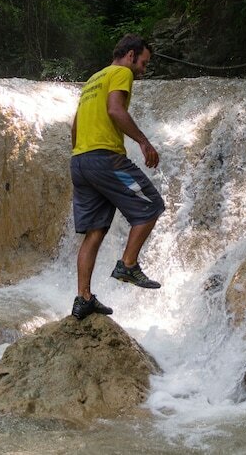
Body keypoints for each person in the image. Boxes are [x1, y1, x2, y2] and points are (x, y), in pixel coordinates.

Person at [69, 34, 166, 320]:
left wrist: (82, 155)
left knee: (95, 231)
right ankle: (128, 264)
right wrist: (143, 142)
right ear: (131, 54)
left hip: (80, 162)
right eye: (143, 63)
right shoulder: (121, 72)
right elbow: (115, 109)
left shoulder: (92, 80)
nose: (142, 70)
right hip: (106, 161)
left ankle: (83, 298)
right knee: (151, 205)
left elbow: (75, 126)